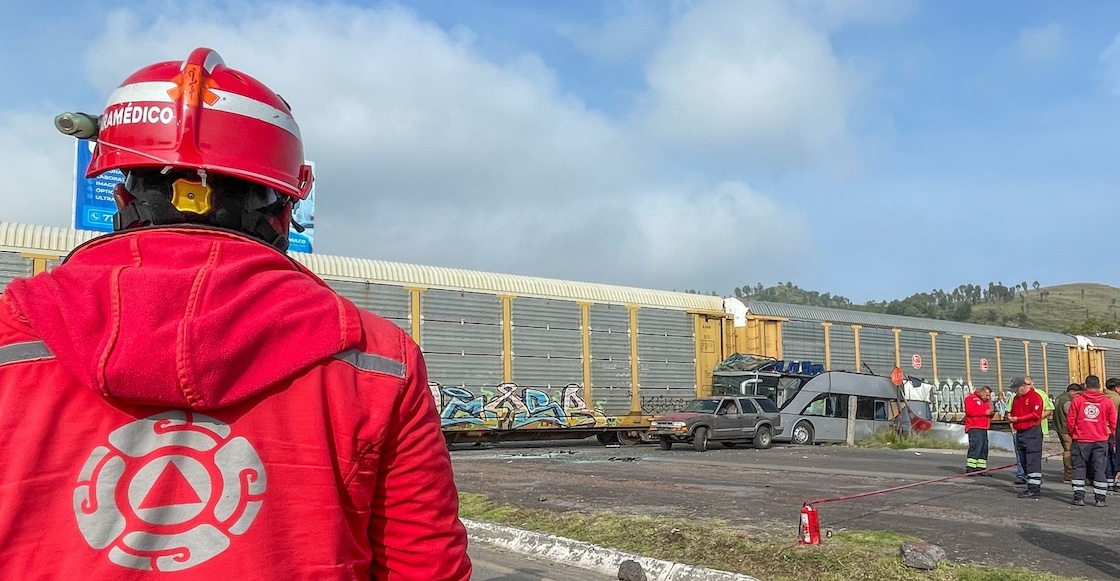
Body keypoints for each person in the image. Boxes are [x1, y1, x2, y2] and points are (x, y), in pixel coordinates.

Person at [0, 48, 471, 579]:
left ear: (121, 197)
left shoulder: (9, 332)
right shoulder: (377, 358)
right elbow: (424, 564)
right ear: (285, 211)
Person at [1068, 376, 1118, 506]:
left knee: (1079, 468)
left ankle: (1079, 497)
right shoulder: (1107, 402)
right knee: (1099, 468)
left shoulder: (1077, 401)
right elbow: (1114, 422)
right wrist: (1114, 439)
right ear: (1099, 385)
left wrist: (1073, 434)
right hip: (1100, 439)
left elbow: (1070, 421)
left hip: (1081, 439)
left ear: (1085, 385)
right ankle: (1100, 498)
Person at [1005, 375, 1053, 485]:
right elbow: (1011, 412)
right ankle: (1027, 480)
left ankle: (1034, 487)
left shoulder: (1035, 396)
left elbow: (1036, 414)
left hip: (1032, 431)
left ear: (1024, 386)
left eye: (1016, 389)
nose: (1015, 392)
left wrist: (1018, 419)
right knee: (1023, 458)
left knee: (1032, 459)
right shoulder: (1016, 398)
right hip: (1020, 432)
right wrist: (1012, 420)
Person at [1053, 383, 1085, 484]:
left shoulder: (1059, 397)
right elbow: (1071, 415)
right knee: (1069, 452)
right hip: (1066, 430)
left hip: (1059, 428)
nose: (1078, 396)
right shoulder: (1067, 401)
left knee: (1067, 451)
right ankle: (1069, 475)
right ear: (1071, 392)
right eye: (1077, 394)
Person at [963, 386, 995, 474]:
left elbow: (988, 413)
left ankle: (981, 468)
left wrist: (991, 412)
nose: (988, 398)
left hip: (984, 427)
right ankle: (970, 467)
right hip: (974, 426)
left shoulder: (987, 401)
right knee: (976, 446)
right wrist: (984, 412)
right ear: (982, 392)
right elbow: (970, 411)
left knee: (984, 448)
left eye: (989, 396)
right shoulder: (971, 399)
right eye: (987, 395)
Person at [1104, 378, 1120, 489]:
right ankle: (1117, 481)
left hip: (1102, 432)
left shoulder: (1102, 397)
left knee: (1107, 457)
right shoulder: (1117, 399)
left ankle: (1109, 481)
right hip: (1113, 431)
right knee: (1116, 456)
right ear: (1115, 388)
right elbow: (1115, 419)